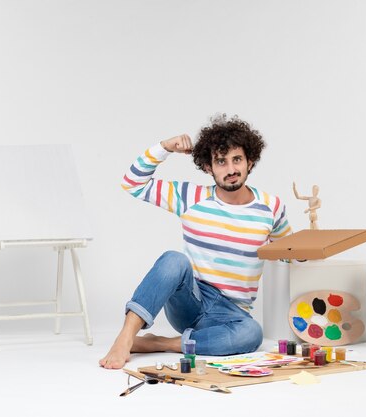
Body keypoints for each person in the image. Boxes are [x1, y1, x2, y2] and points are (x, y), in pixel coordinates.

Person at [99, 114, 291, 369]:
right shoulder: (191, 197)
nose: (231, 170)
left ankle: (161, 343)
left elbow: (287, 252)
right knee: (174, 260)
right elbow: (132, 184)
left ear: (250, 161)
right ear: (208, 167)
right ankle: (125, 337)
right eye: (221, 162)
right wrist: (164, 148)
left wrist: (312, 242)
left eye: (237, 160)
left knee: (252, 334)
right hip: (192, 298)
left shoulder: (271, 207)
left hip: (231, 314)